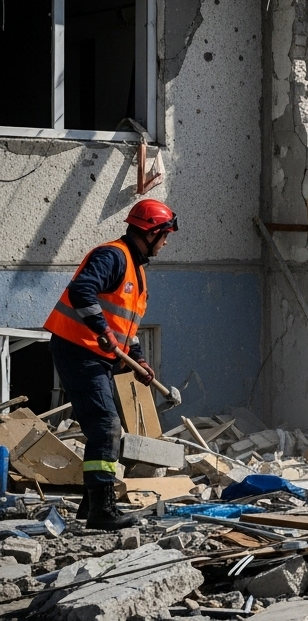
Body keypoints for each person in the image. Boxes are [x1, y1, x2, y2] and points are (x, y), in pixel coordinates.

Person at [44, 199, 175, 530]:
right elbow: (82, 291)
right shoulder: (112, 256)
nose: (166, 242)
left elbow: (125, 327)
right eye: (165, 235)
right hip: (79, 349)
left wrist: (139, 359)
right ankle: (102, 511)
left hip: (95, 353)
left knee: (101, 428)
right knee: (105, 425)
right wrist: (101, 331)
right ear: (152, 233)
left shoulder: (136, 269)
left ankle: (90, 507)